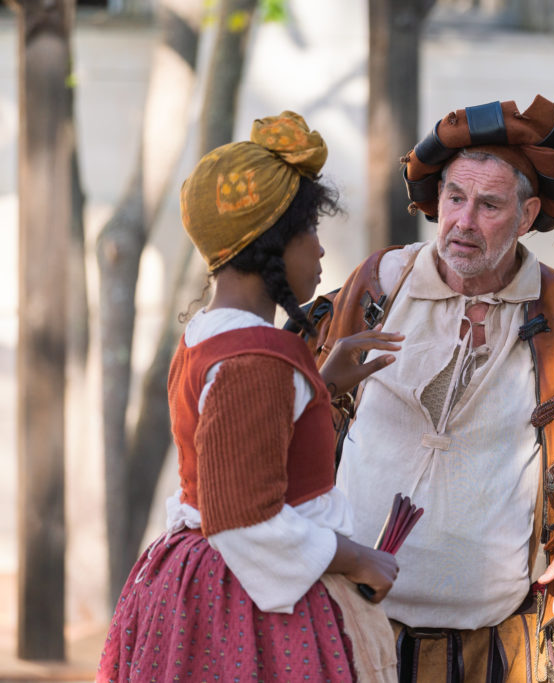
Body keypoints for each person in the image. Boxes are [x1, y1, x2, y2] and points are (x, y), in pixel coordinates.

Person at [310, 95, 554, 682]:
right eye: (455, 198)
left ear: (527, 216)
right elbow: (295, 405)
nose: (464, 222)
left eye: (489, 205)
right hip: (358, 630)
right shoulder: (377, 285)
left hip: (501, 645)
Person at [97, 112, 402, 682]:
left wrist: (318, 385)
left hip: (201, 578)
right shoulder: (256, 359)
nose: (320, 251)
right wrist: (361, 559)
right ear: (273, 245)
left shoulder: (207, 337)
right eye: (310, 231)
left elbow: (237, 445)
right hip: (247, 602)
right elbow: (242, 520)